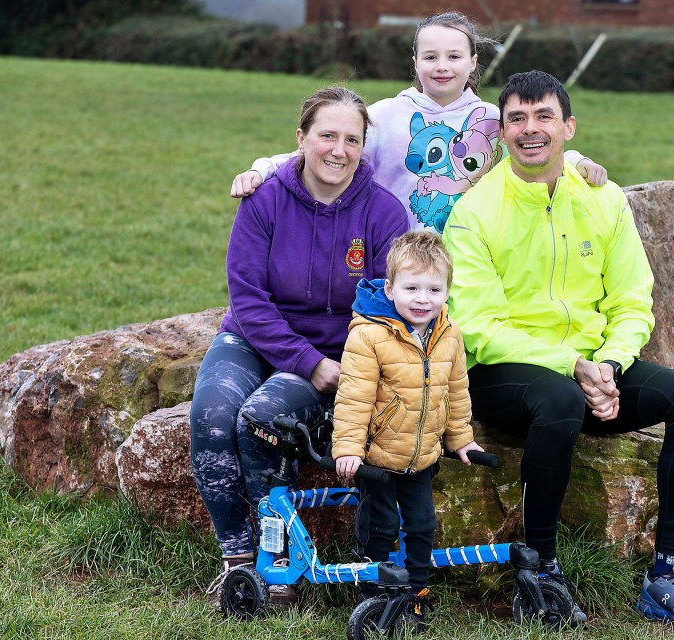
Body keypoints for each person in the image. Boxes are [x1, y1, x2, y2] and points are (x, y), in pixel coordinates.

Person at [442, 70, 674, 628]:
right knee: (560, 400)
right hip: (505, 375)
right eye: (517, 119)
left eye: (544, 116)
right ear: (501, 133)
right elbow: (478, 327)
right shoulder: (475, 213)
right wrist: (573, 367)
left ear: (568, 126)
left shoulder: (604, 199)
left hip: (596, 367)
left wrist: (610, 365)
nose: (531, 129)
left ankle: (666, 574)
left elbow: (632, 298)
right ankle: (542, 570)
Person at [190, 86, 410, 606]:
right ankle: (239, 561)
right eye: (326, 136)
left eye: (351, 140)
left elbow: (386, 306)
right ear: (301, 139)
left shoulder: (383, 213)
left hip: (339, 352)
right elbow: (247, 297)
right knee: (213, 412)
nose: (338, 150)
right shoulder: (263, 200)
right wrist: (307, 363)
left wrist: (338, 366)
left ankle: (280, 562)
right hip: (255, 338)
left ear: (363, 148)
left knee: (261, 418)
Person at [230, 11, 608, 234]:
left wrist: (579, 162)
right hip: (392, 257)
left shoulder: (491, 120)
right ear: (415, 61)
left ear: (473, 61)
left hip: (470, 255)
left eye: (454, 56)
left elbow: (537, 150)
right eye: (430, 56)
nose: (442, 66)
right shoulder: (384, 115)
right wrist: (263, 169)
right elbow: (325, 153)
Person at [332, 230, 483, 624]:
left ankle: (415, 591)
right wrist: (348, 448)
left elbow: (456, 391)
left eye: (434, 289)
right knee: (379, 526)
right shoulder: (370, 334)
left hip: (422, 457)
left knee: (422, 525)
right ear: (390, 287)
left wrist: (462, 440)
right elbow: (354, 395)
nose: (422, 299)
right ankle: (374, 592)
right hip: (378, 457)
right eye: (411, 287)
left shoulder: (448, 334)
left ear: (447, 291)